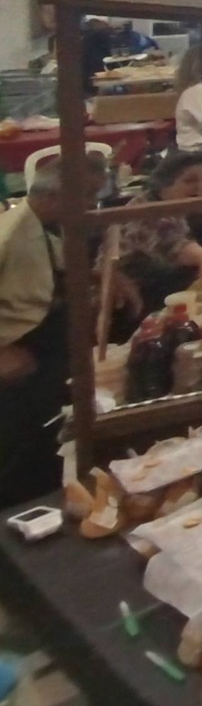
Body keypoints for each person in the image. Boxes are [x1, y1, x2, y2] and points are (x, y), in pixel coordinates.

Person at [0, 171, 66, 503]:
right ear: (51, 198)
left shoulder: (46, 227)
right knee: (17, 442)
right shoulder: (10, 233)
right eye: (82, 197)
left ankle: (42, 494)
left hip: (46, 343)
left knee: (46, 431)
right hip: (17, 347)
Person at [119, 149, 202, 311]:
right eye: (189, 180)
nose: (200, 187)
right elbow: (170, 242)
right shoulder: (145, 210)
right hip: (130, 298)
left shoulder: (173, 203)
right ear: (165, 182)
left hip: (157, 283)